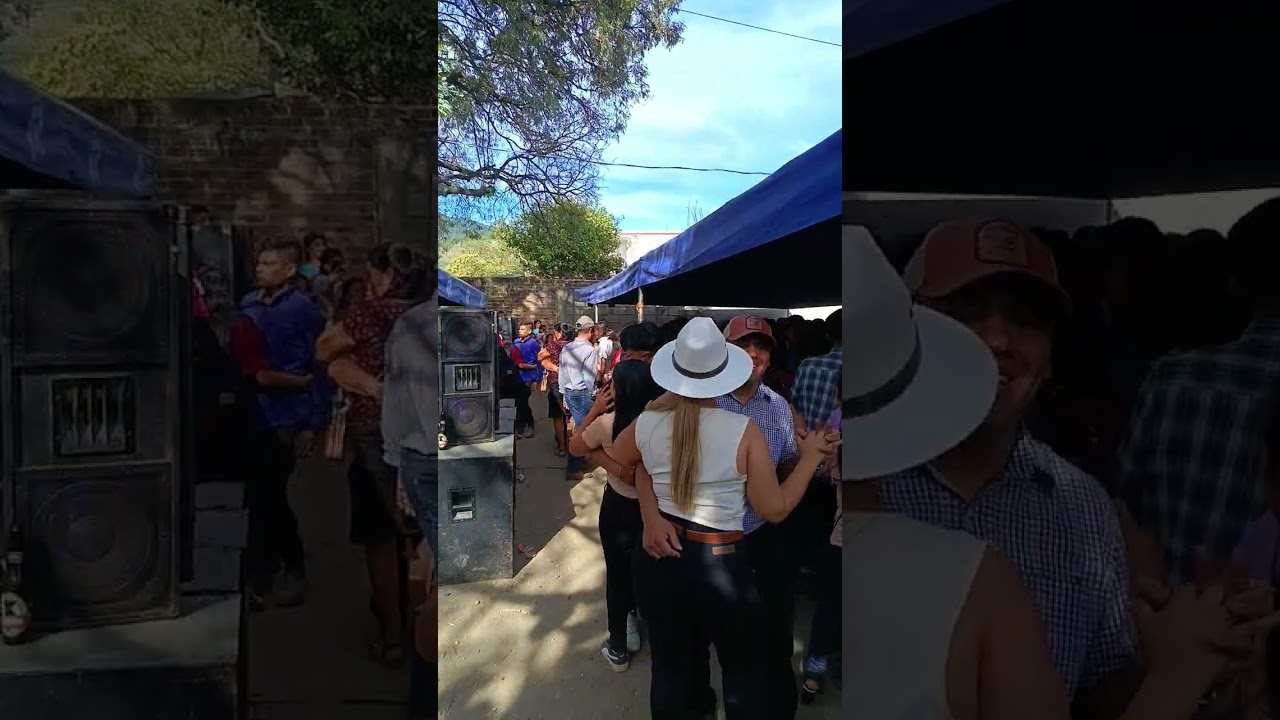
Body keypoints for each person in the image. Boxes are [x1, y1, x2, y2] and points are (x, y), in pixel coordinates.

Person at [842, 225, 1255, 720]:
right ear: (903, 339)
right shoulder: (861, 486)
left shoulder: (1083, 508)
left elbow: (1105, 688)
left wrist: (1184, 658)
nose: (998, 340)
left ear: (1053, 356)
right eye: (965, 313)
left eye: (1027, 320)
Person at [609, 317, 840, 719]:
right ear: (726, 366)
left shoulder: (650, 419)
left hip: (664, 559)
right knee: (742, 671)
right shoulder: (742, 430)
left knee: (671, 669)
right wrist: (811, 459)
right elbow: (775, 508)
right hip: (721, 561)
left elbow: (623, 458)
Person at [317, 242, 432, 667]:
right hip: (423, 433)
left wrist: (366, 382)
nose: (368, 284)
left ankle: (393, 632)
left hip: (374, 432)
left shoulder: (369, 314)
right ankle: (423, 626)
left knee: (380, 538)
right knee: (422, 536)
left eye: (372, 276)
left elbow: (323, 350)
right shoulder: (427, 315)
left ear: (388, 276)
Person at [232, 238, 331, 609]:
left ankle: (268, 575)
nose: (260, 269)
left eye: (269, 263)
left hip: (288, 416)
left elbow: (320, 368)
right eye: (259, 263)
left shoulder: (303, 310)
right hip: (253, 412)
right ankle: (283, 563)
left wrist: (312, 424)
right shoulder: (248, 305)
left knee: (267, 494)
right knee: (264, 495)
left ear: (289, 270)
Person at [568, 359, 665, 671]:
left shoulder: (607, 422)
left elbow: (575, 447)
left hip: (619, 507)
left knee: (617, 575)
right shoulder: (662, 424)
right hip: (659, 509)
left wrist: (595, 410)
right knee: (654, 572)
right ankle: (661, 643)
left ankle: (619, 646)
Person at [382, 285, 439, 720]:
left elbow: (395, 404)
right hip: (447, 459)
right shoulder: (469, 324)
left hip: (421, 459)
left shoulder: (409, 324)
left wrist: (397, 464)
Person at [559, 316, 600, 481]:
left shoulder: (567, 348)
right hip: (582, 393)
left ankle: (579, 459)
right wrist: (591, 394)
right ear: (590, 331)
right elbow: (589, 377)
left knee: (578, 426)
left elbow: (562, 372)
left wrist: (563, 392)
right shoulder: (589, 350)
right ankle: (573, 467)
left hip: (569, 391)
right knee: (582, 431)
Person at [539, 323, 571, 456]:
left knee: (558, 415)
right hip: (573, 383)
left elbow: (540, 356)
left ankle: (562, 446)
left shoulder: (554, 345)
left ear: (560, 333)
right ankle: (573, 446)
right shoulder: (574, 345)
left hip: (556, 382)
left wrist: (552, 366)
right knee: (571, 416)